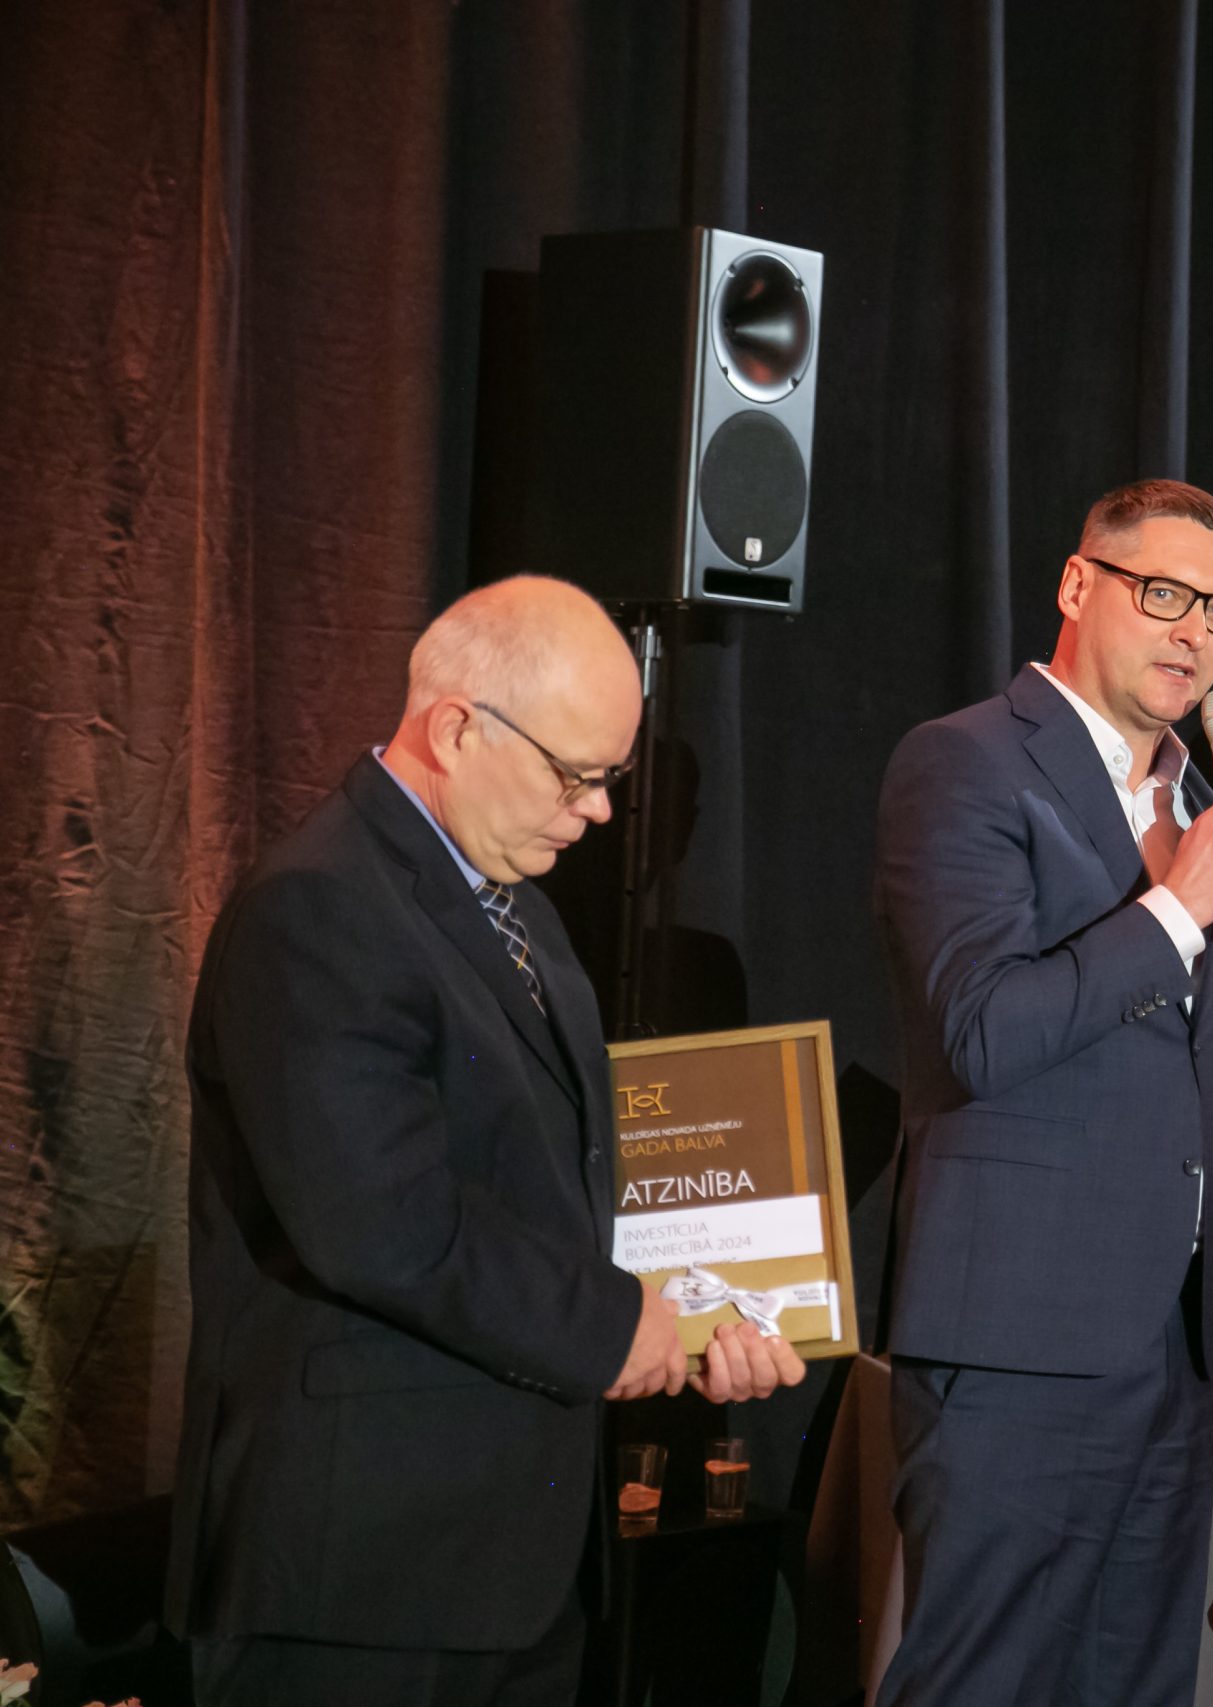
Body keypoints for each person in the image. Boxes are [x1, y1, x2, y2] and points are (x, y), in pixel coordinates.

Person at [168, 576, 804, 1707]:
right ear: (458, 728)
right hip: (361, 1575)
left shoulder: (516, 905)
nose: (598, 812)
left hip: (511, 1561)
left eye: (609, 780)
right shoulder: (319, 907)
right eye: (576, 775)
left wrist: (708, 1312)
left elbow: (561, 1189)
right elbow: (386, 1226)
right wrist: (618, 1325)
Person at [870, 480, 1213, 1707]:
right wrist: (1180, 904)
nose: (1194, 633)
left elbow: (1142, 1070)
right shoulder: (965, 761)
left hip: (1168, 1347)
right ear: (1078, 585)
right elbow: (982, 1031)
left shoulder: (1194, 803)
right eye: (1164, 594)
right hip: (1016, 1339)